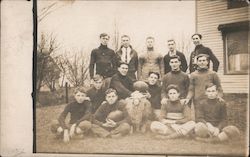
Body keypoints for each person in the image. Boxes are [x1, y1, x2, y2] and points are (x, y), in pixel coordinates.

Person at [183, 54, 223, 119]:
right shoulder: (193, 75)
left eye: (204, 60)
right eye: (200, 61)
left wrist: (219, 96)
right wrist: (188, 98)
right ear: (197, 62)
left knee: (211, 118)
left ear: (207, 62)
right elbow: (191, 89)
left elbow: (219, 87)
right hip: (198, 101)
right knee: (199, 119)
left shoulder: (213, 74)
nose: (202, 62)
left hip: (210, 100)